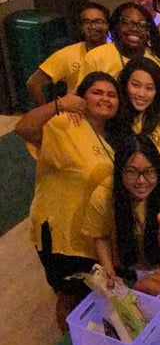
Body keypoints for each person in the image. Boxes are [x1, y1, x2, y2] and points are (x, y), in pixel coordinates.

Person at [16, 72, 120, 328]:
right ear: (82, 97)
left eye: (111, 94)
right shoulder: (62, 124)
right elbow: (24, 128)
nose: (105, 99)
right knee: (68, 296)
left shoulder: (113, 136)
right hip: (60, 234)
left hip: (93, 233)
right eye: (97, 92)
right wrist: (58, 104)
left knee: (93, 293)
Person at [82, 135, 160, 281]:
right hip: (128, 268)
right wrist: (110, 273)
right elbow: (101, 236)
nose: (141, 181)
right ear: (120, 171)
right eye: (132, 172)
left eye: (149, 172)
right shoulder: (104, 195)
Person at [28, 2, 110, 105]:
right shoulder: (67, 54)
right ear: (81, 28)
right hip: (79, 115)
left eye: (98, 22)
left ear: (107, 25)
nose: (93, 26)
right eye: (87, 22)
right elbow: (33, 83)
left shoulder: (119, 52)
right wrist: (49, 111)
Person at [109, 57, 160, 164]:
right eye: (135, 85)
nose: (141, 94)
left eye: (149, 88)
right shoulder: (111, 113)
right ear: (125, 85)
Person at [82, 2, 160, 82]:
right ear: (116, 25)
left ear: (148, 31)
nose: (134, 29)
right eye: (126, 22)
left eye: (142, 25)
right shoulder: (95, 58)